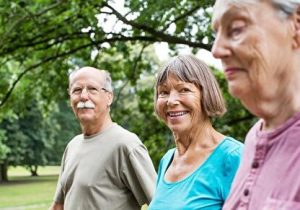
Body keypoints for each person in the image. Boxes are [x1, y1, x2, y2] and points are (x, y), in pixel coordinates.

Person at [211, 0, 300, 209]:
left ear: (296, 26)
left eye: (236, 29)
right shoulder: (254, 138)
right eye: (216, 34)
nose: (216, 50)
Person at [49, 67, 157, 210]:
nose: (83, 96)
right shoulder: (72, 146)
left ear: (109, 97)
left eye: (92, 89)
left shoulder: (126, 144)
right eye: (77, 90)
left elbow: (160, 203)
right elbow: (58, 206)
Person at [148, 55, 243, 210]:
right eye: (163, 92)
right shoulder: (167, 160)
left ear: (206, 95)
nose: (171, 101)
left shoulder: (233, 157)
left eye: (184, 90)